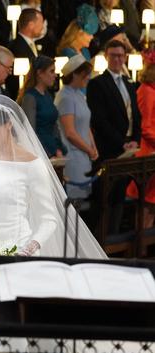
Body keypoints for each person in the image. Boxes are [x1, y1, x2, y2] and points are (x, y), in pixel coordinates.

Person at [0, 94, 108, 353]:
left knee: (0, 323)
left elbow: (49, 219)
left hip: (19, 254)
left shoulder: (31, 164)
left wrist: (28, 249)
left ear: (8, 125)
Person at [88, 39, 141, 233]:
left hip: (129, 147)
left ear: (125, 57)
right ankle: (103, 239)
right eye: (114, 56)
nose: (118, 59)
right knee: (107, 198)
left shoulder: (129, 83)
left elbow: (136, 114)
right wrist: (121, 143)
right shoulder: (97, 84)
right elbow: (100, 121)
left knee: (121, 196)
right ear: (106, 57)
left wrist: (135, 138)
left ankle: (115, 236)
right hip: (109, 149)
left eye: (121, 55)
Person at [54, 55, 96, 199]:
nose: (88, 78)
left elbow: (86, 124)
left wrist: (93, 147)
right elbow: (70, 132)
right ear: (75, 75)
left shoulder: (79, 95)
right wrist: (89, 149)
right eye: (85, 75)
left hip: (84, 153)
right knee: (75, 203)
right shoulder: (65, 97)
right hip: (74, 156)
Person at [18, 56, 66, 159]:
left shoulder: (47, 95)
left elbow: (54, 126)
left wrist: (58, 149)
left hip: (53, 149)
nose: (55, 75)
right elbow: (31, 131)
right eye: (51, 71)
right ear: (40, 73)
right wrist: (47, 154)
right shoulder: (30, 97)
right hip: (41, 152)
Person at [127, 49, 155, 227]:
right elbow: (145, 126)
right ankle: (140, 250)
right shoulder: (147, 91)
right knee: (147, 202)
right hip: (148, 150)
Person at [6, 8, 44, 101]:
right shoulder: (15, 47)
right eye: (41, 23)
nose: (43, 27)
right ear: (31, 25)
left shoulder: (32, 44)